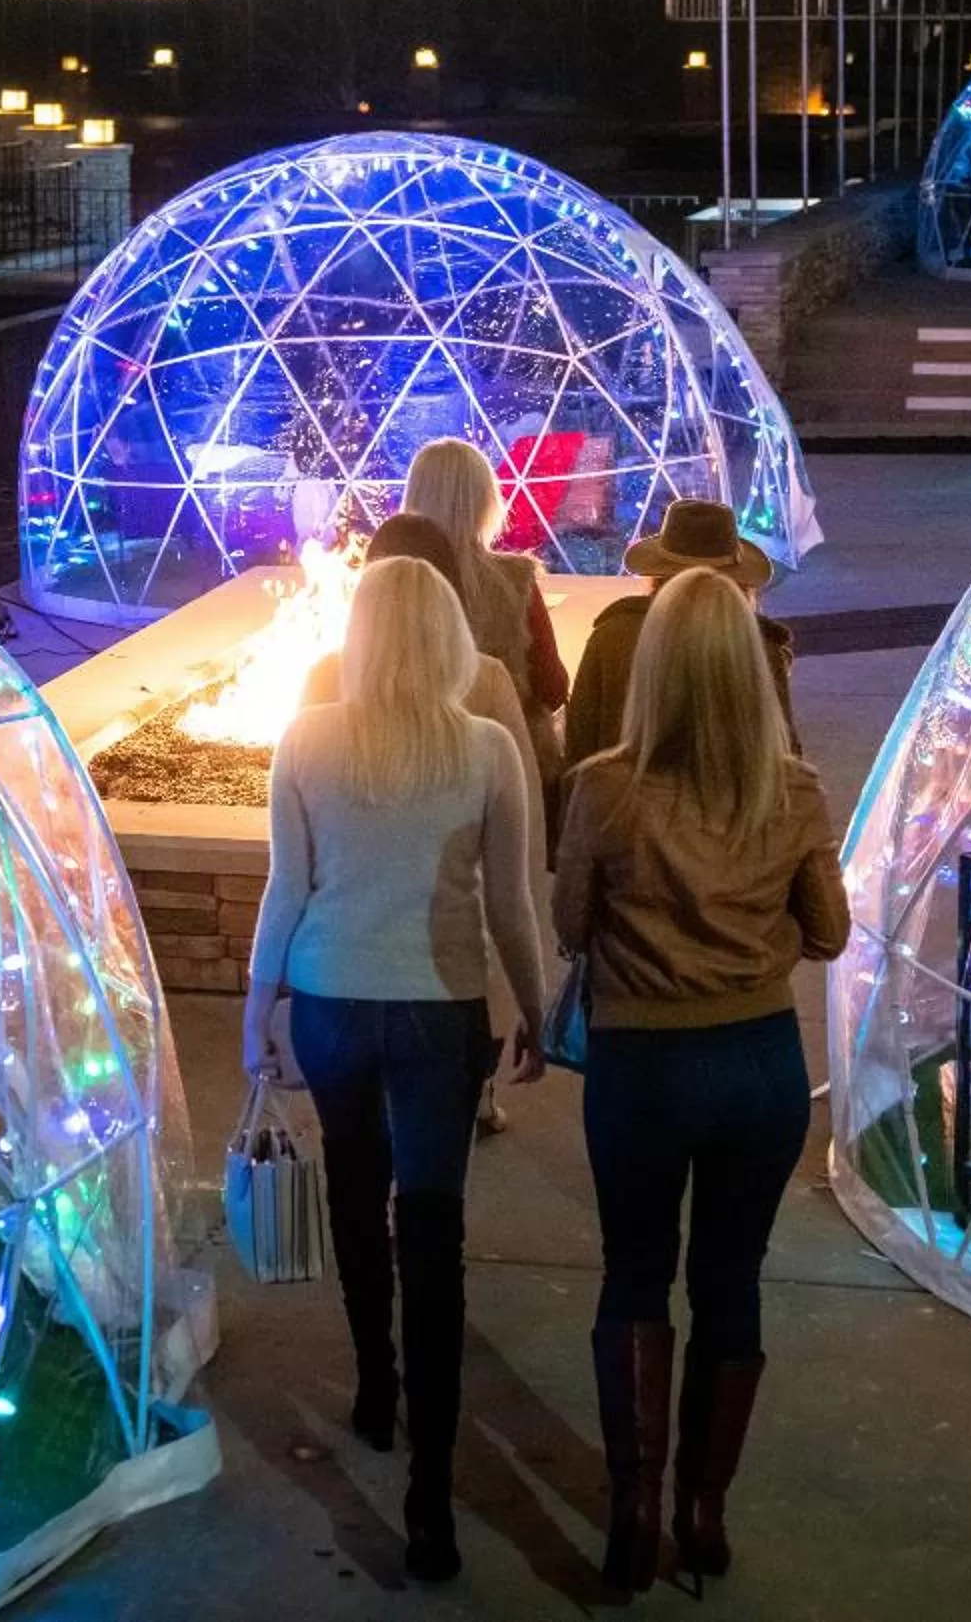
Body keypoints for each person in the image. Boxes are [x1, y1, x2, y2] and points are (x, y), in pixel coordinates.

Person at [242, 556, 547, 1582]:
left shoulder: (307, 739)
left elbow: (286, 891)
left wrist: (258, 1013)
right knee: (433, 1227)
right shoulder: (487, 748)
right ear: (452, 639)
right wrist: (536, 1007)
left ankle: (375, 1382)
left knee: (354, 1187)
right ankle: (431, 1500)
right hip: (438, 1012)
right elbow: (511, 905)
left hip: (330, 1000)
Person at [552, 567, 849, 1592]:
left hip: (639, 1065)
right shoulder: (794, 791)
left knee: (634, 1273)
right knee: (732, 1281)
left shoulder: (601, 786)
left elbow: (567, 928)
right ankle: (704, 1511)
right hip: (757, 1063)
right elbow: (830, 933)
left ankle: (633, 1512)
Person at [301, 513, 550, 1135]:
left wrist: (270, 997)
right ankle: (476, 1092)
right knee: (433, 1188)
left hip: (339, 970)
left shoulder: (325, 680)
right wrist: (530, 999)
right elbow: (510, 870)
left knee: (353, 1171)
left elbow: (302, 841)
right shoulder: (487, 680)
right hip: (446, 966)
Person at [564, 497, 797, 770]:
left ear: (657, 574)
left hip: (624, 805)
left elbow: (579, 746)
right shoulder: (761, 648)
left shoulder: (611, 635)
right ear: (741, 585)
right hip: (736, 807)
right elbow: (785, 755)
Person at [399, 438, 569, 787]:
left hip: (409, 766)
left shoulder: (389, 586)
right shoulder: (515, 581)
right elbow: (553, 688)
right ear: (484, 500)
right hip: (510, 769)